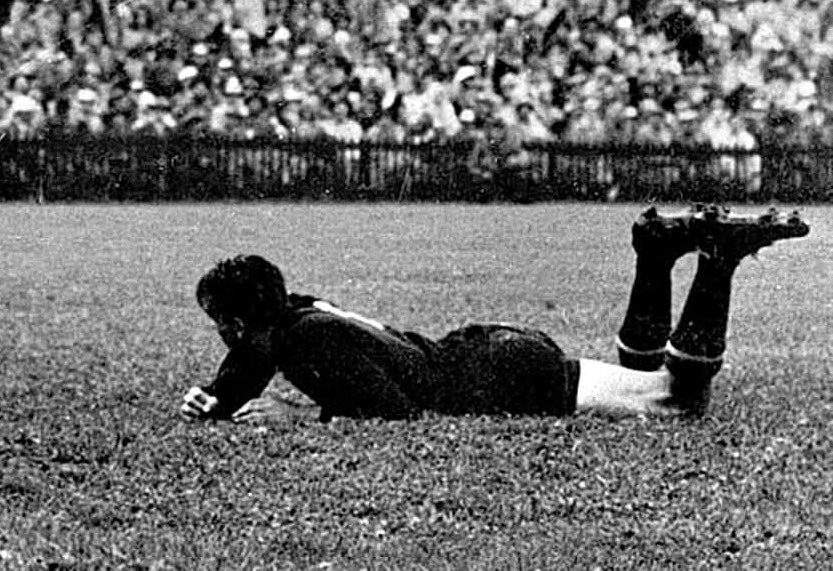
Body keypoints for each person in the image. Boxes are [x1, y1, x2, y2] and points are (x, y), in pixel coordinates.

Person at [178, 205, 809, 424]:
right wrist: (218, 394)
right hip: (487, 351)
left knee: (678, 402)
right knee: (647, 383)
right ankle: (655, 255)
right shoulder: (301, 312)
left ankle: (717, 262)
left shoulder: (308, 343)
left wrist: (308, 413)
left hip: (496, 377)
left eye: (221, 324)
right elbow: (250, 355)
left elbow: (396, 410)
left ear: (238, 322)